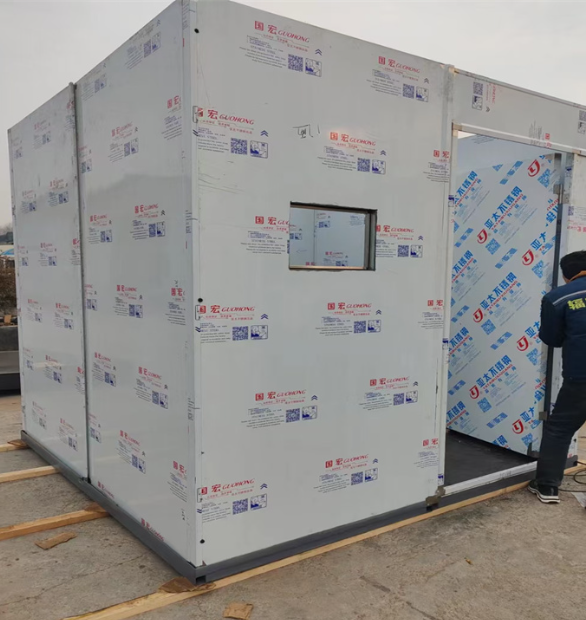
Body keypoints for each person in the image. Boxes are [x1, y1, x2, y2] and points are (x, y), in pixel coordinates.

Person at [530, 250, 586, 503]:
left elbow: (551, 338)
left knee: (560, 428)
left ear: (566, 276)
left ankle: (548, 487)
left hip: (580, 376)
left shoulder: (558, 297)